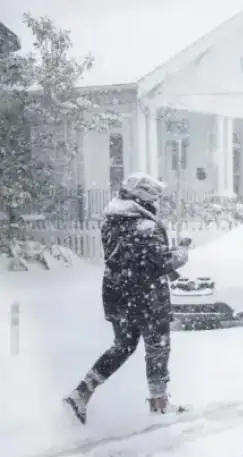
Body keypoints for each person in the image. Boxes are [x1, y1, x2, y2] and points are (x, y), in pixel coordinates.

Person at [63, 172, 190, 424]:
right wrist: (181, 253)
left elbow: (130, 259)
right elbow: (158, 263)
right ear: (144, 196)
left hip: (117, 293)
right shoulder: (146, 226)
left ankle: (82, 392)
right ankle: (159, 403)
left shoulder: (111, 222)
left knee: (123, 346)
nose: (156, 202)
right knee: (158, 346)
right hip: (146, 297)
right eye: (154, 196)